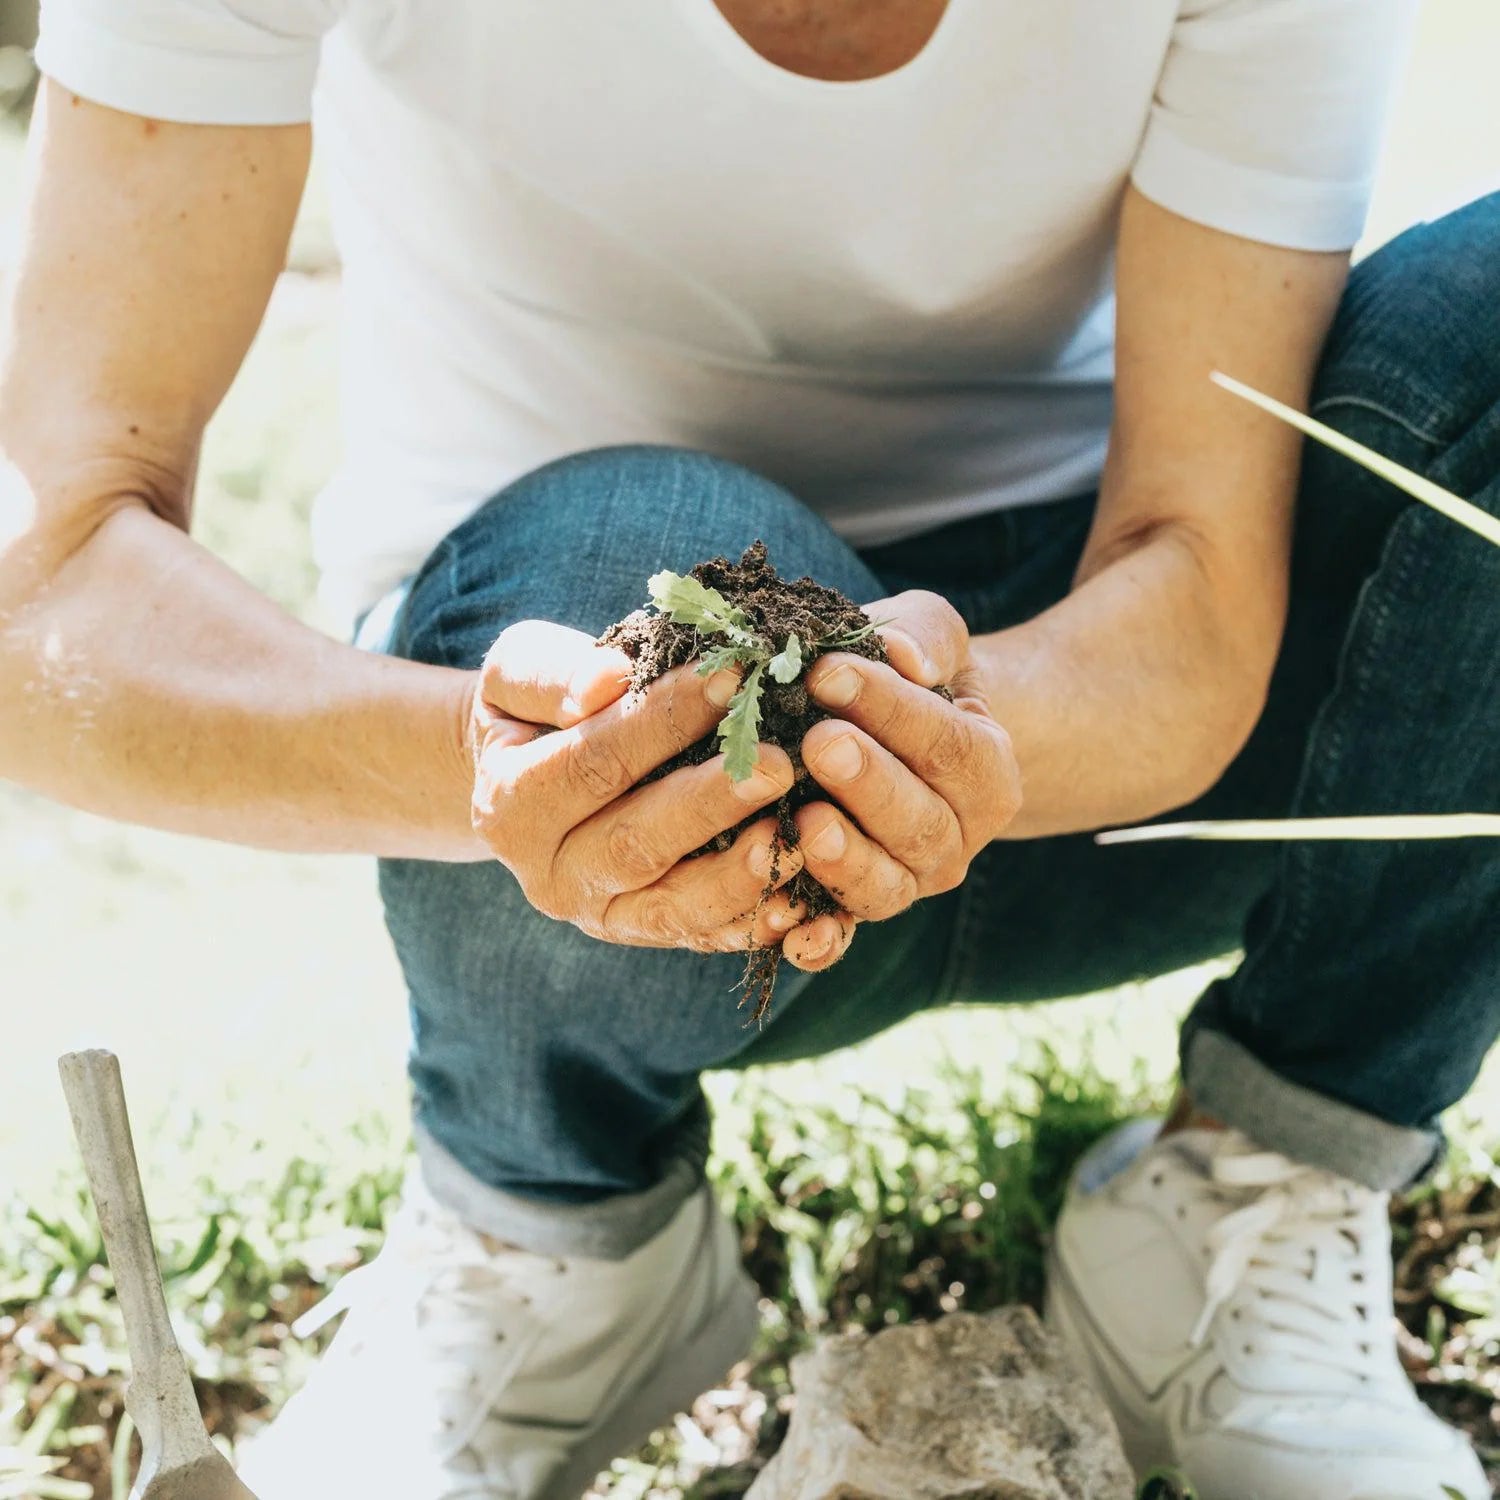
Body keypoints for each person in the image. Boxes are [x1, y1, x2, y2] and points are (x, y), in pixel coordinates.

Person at [2, 0, 1495, 1495]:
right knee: (643, 567)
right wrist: (495, 765)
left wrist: (933, 719)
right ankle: (550, 1228)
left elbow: (1197, 573)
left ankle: (1263, 1188)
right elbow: (48, 581)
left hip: (1097, 745)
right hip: (570, 819)